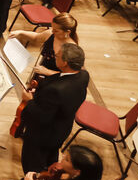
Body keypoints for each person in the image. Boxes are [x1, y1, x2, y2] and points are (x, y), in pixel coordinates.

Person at [17, 42, 89, 172]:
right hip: (62, 127)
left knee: (32, 164)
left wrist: (29, 101)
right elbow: (60, 82)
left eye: (58, 55)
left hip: (43, 134)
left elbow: (40, 116)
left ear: (66, 62)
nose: (55, 55)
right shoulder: (83, 75)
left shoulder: (56, 91)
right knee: (50, 157)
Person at [7, 12, 79, 79]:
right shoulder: (51, 34)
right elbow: (36, 37)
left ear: (67, 32)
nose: (52, 31)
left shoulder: (73, 51)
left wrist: (47, 72)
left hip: (56, 81)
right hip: (41, 72)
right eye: (52, 28)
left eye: (56, 30)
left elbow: (71, 76)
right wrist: (20, 32)